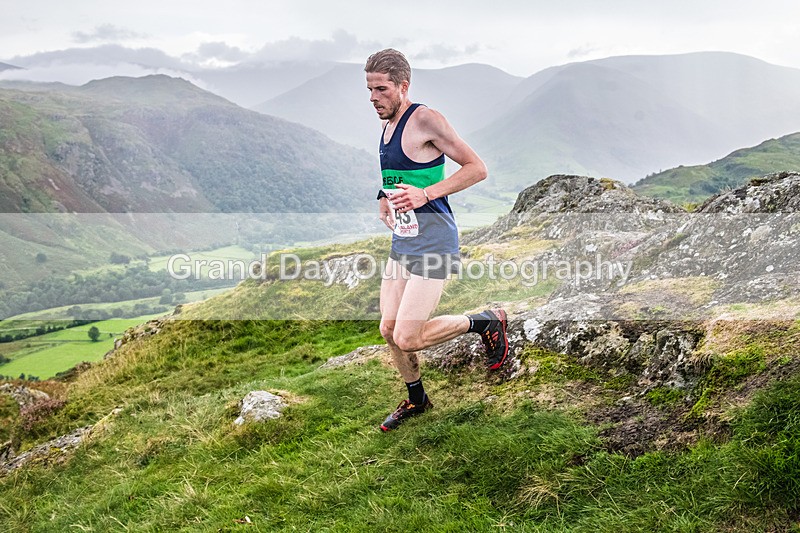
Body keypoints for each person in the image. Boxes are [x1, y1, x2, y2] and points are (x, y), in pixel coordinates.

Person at [365, 49, 509, 432]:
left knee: (408, 336)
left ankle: (485, 322)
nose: (373, 97)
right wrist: (384, 195)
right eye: (369, 89)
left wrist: (425, 196)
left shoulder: (426, 119)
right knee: (388, 330)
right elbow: (404, 173)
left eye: (381, 89)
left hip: (434, 241)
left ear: (403, 86)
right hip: (404, 239)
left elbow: (477, 168)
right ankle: (418, 400)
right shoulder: (387, 123)